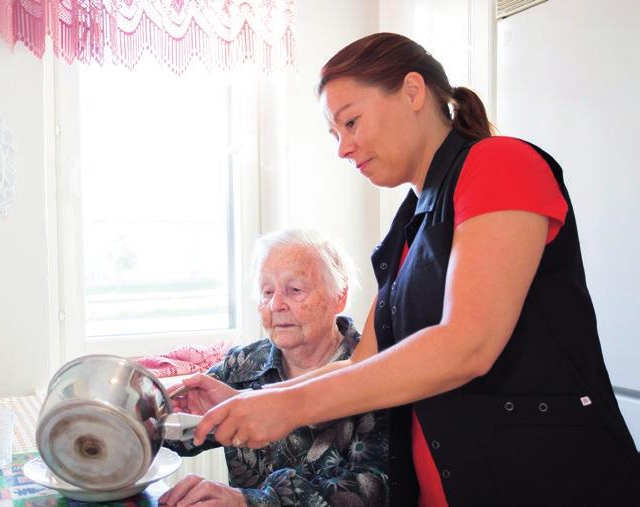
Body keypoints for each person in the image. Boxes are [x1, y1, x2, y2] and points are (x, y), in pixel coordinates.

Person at [183, 33, 640, 506]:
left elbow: (469, 344)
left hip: (546, 481)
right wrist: (249, 399)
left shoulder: (500, 164)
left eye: (352, 122)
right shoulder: (407, 225)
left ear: (414, 91)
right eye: (335, 133)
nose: (343, 148)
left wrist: (289, 405)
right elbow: (364, 366)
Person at [160, 229, 390, 507]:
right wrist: (148, 420)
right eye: (266, 291)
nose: (276, 305)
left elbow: (371, 489)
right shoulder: (242, 366)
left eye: (295, 290)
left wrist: (249, 501)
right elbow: (172, 438)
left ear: (339, 297)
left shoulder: (376, 373)